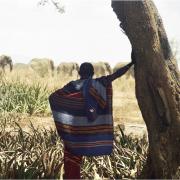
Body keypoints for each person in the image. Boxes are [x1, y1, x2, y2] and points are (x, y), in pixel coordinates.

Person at [49, 50, 136, 179]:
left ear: (79, 73)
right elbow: (116, 75)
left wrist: (71, 107)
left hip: (75, 131)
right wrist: (131, 64)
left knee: (71, 157)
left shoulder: (72, 86)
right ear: (93, 73)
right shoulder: (99, 84)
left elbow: (54, 97)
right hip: (89, 131)